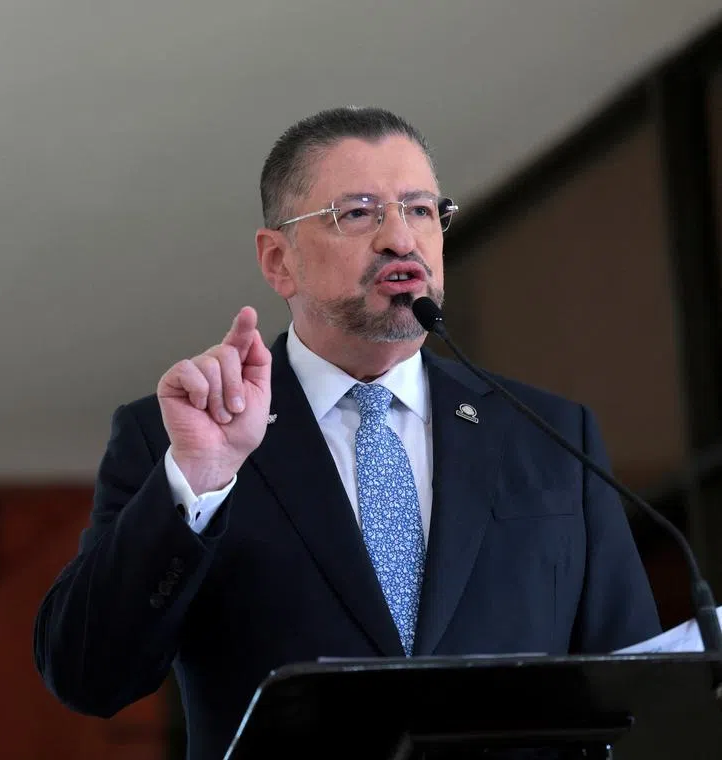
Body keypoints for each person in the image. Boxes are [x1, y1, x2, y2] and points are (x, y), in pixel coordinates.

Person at [33, 106, 661, 760]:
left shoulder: (549, 437)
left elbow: (640, 699)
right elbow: (86, 675)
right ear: (279, 261)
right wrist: (199, 480)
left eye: (420, 210)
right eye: (359, 213)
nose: (401, 239)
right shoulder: (181, 437)